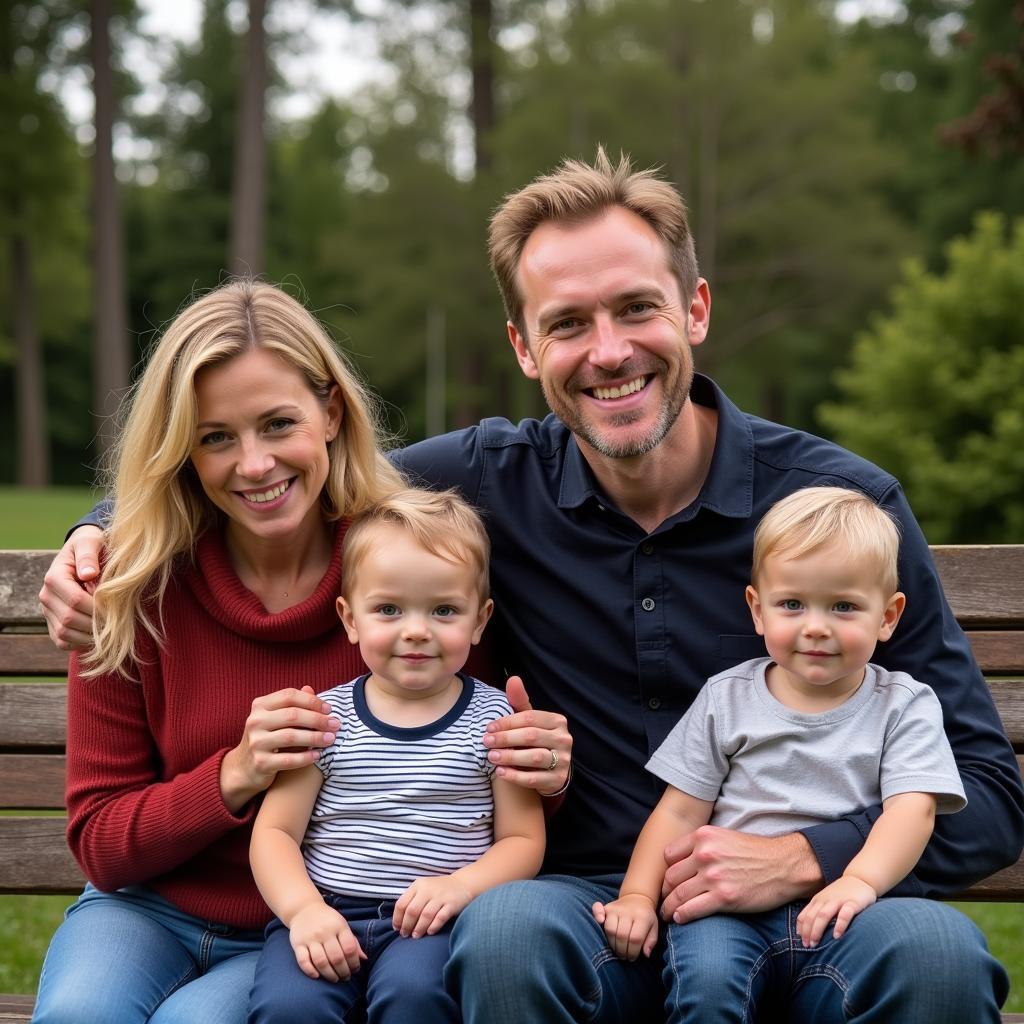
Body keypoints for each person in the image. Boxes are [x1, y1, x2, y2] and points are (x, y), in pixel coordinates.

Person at [41, 150, 1023, 1022]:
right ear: (522, 347)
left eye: (636, 307)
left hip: (822, 902)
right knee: (505, 931)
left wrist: (807, 854)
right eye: (566, 323)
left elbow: (987, 794)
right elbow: (285, 472)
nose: (607, 350)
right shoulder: (482, 482)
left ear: (695, 309)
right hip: (578, 904)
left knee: (936, 956)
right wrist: (102, 533)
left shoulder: (840, 508)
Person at [31, 281, 564, 1024]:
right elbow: (102, 844)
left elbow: (468, 766)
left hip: (302, 931)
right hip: (144, 912)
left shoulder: (407, 575)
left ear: (331, 414)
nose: (254, 464)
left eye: (279, 424)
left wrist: (540, 767)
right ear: (182, 446)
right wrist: (236, 774)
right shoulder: (127, 591)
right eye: (216, 436)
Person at [592, 486, 967, 1021]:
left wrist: (861, 881)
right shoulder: (729, 697)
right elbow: (678, 810)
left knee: (907, 959)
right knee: (708, 982)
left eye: (843, 606)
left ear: (888, 616)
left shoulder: (903, 705)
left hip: (840, 905)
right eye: (792, 604)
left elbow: (913, 808)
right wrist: (635, 895)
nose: (816, 626)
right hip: (725, 910)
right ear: (757, 609)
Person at [247, 488, 545, 1023]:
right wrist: (303, 911)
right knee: (289, 1006)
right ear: (350, 617)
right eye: (388, 609)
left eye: (444, 610)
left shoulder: (495, 722)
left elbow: (523, 840)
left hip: (434, 922)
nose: (415, 630)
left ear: (480, 620)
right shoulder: (324, 720)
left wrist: (461, 887)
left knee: (416, 997)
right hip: (327, 911)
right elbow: (274, 834)